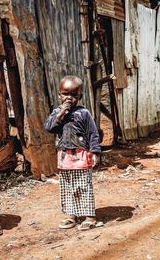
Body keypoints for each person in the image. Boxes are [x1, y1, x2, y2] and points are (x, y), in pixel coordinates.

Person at [44, 75, 101, 231]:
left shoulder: (84, 113)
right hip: (64, 157)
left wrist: (95, 152)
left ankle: (90, 216)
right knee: (67, 186)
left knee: (83, 186)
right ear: (59, 95)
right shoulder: (57, 112)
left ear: (80, 97)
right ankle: (72, 215)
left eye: (74, 95)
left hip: (81, 155)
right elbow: (49, 128)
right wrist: (61, 112)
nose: (69, 98)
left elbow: (93, 133)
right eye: (65, 94)